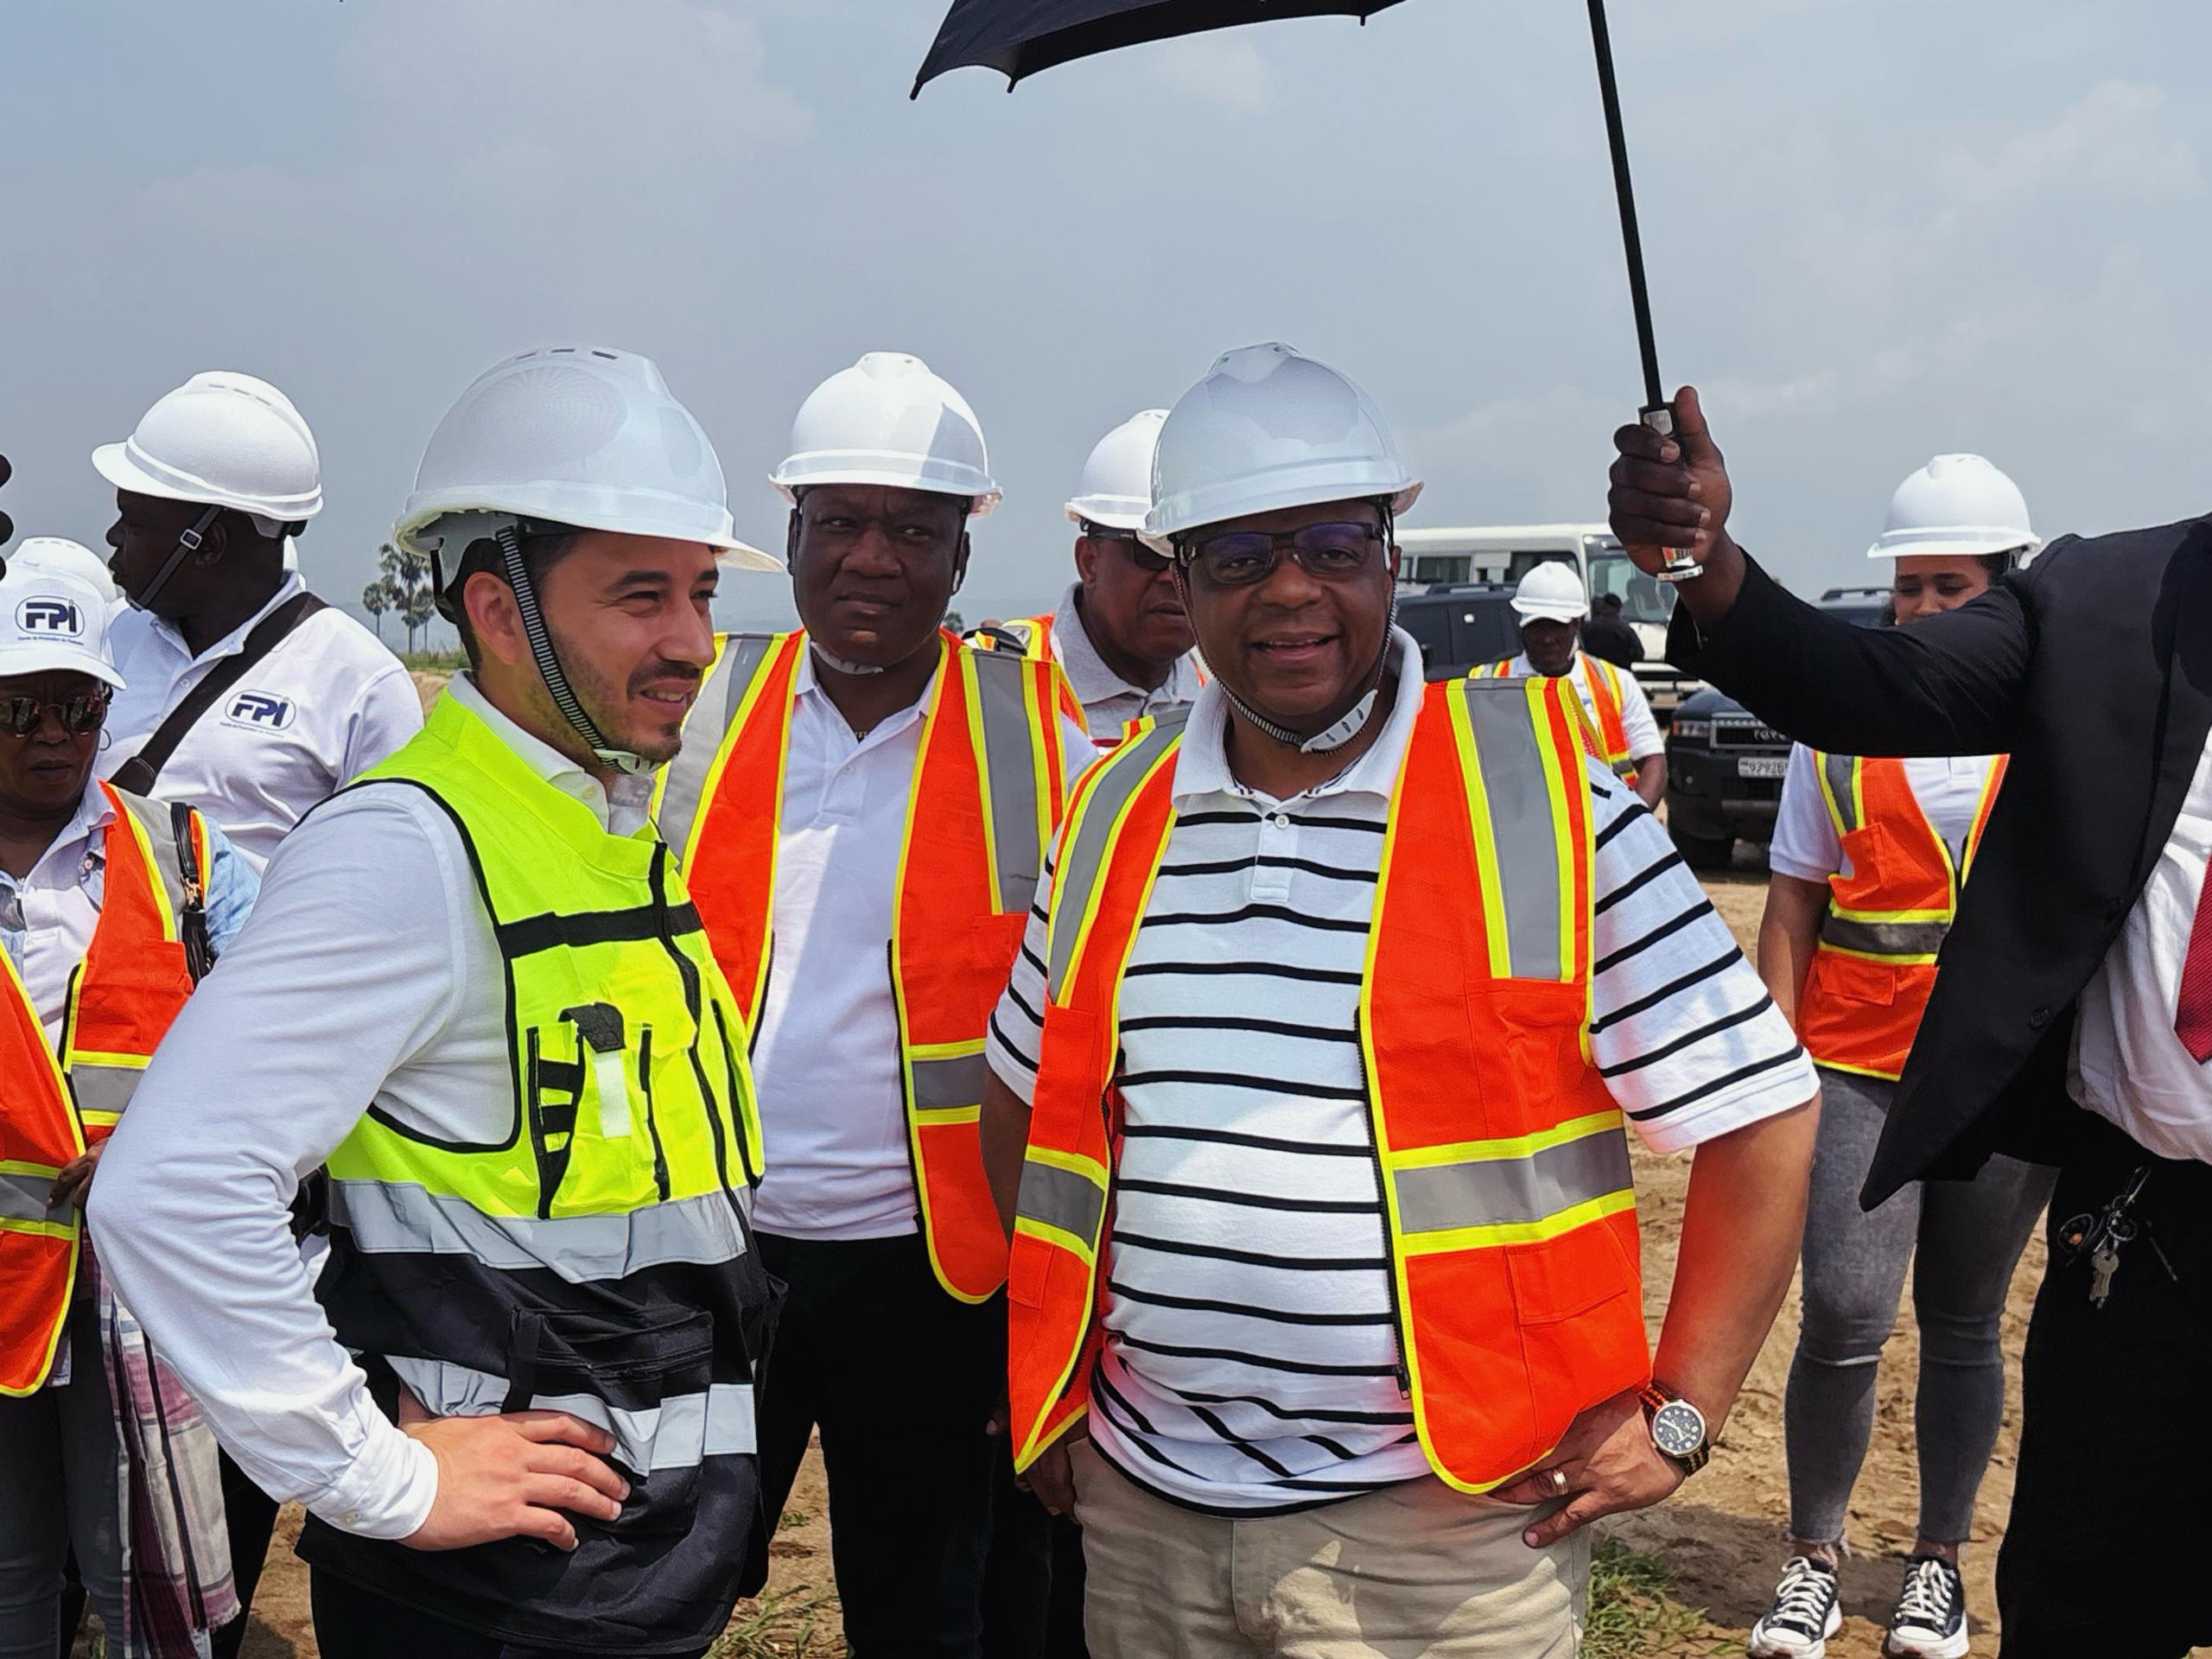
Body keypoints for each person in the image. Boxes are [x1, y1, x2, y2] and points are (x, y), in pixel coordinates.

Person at [981, 343, 1821, 1659]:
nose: (1292, 591)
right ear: (1182, 578)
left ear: (1390, 551)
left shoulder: (1552, 809)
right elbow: (1024, 1104)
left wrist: (1683, 1412)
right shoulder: (1111, 813)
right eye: (1239, 556)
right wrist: (1052, 1376)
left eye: (1330, 543)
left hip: (1450, 1534)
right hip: (1147, 1516)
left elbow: (1764, 1112)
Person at [88, 346, 782, 1659]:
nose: (691, 640)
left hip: (632, 1571)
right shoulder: (408, 852)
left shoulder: (605, 822)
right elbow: (171, 1187)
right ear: (502, 613)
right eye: (642, 597)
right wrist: (379, 1476)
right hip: (494, 1604)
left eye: (698, 592)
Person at [1609, 386, 2212, 1658]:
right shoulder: (2114, 605)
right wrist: (1710, 567)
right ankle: (1837, 1552)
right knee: (2089, 1596)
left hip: (2019, 1138)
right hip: (2145, 1232)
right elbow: (1869, 687)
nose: (1921, 595)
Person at [654, 352, 1093, 1659]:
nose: (871, 559)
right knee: (651, 1591)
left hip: (933, 1270)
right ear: (785, 537)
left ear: (963, 555)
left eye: (912, 530)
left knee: (921, 1608)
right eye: (838, 524)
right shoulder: (693, 709)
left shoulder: (1042, 734)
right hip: (699, 1252)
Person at [1745, 455, 2056, 1659]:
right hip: (1856, 1072)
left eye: (1948, 586)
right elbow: (1789, 906)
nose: (1919, 611)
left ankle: (1934, 1561)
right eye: (1906, 588)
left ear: (2003, 592)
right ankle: (1814, 1555)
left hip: (1998, 1086)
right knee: (1842, 1311)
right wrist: (1774, 1070)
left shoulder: (2050, 737)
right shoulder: (1837, 735)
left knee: (1969, 1322)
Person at [0, 562, 257, 1659]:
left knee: (138, 1562)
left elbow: (272, 1053)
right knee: (8, 1571)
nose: (52, 733)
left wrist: (164, 1149)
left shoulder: (190, 862)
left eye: (79, 705)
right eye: (16, 706)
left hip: (137, 1294)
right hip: (6, 1290)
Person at [94, 370, 423, 871]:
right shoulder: (107, 637)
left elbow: (389, 872)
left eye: (135, 523)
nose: (113, 537)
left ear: (208, 545)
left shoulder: (358, 682)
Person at [967, 410, 1203, 747]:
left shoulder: (1229, 703)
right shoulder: (989, 681)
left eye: (1192, 553)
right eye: (1149, 551)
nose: (1172, 576)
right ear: (1089, 561)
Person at [1475, 562, 1667, 806]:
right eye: (1538, 626)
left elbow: (1653, 762)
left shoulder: (1614, 683)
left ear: (1576, 625)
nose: (1547, 638)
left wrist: (1631, 826)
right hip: (1517, 830)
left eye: (1557, 626)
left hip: (1599, 832)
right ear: (1521, 626)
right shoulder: (1485, 684)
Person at [1581, 592, 1644, 668]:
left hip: (1595, 671)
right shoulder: (1625, 630)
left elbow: (1581, 650)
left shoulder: (1588, 628)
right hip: (1619, 672)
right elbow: (1638, 654)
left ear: (1603, 606)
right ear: (1618, 609)